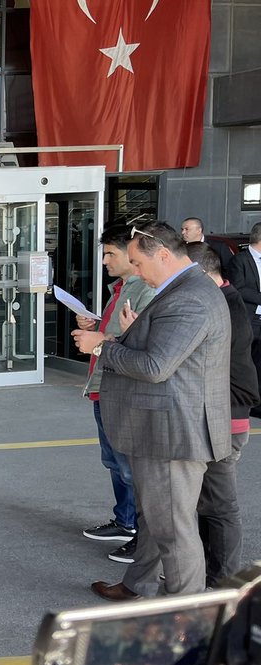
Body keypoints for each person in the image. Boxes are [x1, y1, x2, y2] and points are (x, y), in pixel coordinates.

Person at [79, 222, 231, 600]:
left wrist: (102, 346)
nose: (137, 271)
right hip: (166, 427)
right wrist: (121, 338)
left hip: (172, 433)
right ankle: (139, 585)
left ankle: (186, 614)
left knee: (174, 531)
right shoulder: (182, 290)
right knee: (156, 518)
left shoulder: (189, 297)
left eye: (138, 262)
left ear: (163, 255)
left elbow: (155, 366)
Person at [73, 226, 154, 564]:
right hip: (104, 387)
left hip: (121, 389)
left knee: (128, 466)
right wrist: (97, 329)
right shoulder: (121, 288)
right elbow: (118, 332)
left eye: (112, 255)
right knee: (114, 462)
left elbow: (138, 345)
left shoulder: (143, 290)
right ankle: (125, 521)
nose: (104, 261)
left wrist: (100, 340)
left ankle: (140, 534)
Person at [187, 242, 259, 587]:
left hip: (226, 418)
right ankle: (209, 572)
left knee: (220, 505)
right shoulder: (219, 301)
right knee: (208, 503)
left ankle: (225, 581)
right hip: (217, 415)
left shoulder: (225, 306)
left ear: (200, 274)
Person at [225, 221, 261, 417]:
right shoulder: (240, 260)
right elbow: (239, 288)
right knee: (248, 363)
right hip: (249, 320)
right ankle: (248, 403)